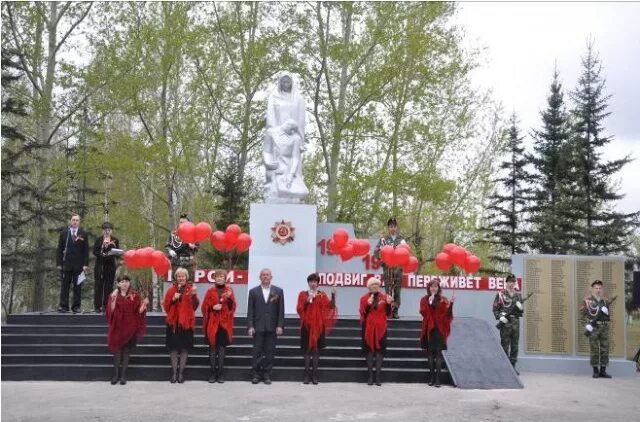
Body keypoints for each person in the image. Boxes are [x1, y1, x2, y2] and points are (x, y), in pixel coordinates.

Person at [105, 275, 148, 385]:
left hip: (130, 327)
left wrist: (144, 305)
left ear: (129, 283)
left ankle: (123, 376)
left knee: (126, 352)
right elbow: (111, 311)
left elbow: (138, 312)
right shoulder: (113, 295)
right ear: (118, 284)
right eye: (122, 281)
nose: (125, 283)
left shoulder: (134, 295)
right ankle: (116, 375)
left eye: (127, 281)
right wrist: (114, 299)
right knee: (117, 352)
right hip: (117, 327)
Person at [296, 273, 338, 385]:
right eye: (311, 281)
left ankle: (314, 375)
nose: (313, 283)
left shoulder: (322, 295)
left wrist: (333, 295)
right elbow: (299, 309)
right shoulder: (303, 294)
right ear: (308, 283)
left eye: (315, 281)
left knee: (316, 351)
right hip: (306, 326)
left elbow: (331, 307)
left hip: (319, 327)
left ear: (318, 283)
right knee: (306, 351)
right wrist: (307, 301)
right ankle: (306, 375)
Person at [247, 268, 285, 385]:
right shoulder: (253, 292)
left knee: (269, 351)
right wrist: (250, 326)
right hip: (258, 327)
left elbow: (280, 310)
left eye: (267, 275)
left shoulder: (278, 291)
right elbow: (250, 310)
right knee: (257, 351)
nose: (265, 277)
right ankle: (256, 374)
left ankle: (267, 374)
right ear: (260, 277)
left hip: (272, 327)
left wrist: (280, 325)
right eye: (263, 275)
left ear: (271, 277)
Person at [162, 267, 199, 383]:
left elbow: (195, 306)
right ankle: (174, 373)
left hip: (186, 325)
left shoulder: (190, 289)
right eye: (179, 276)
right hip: (173, 324)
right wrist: (173, 299)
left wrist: (193, 295)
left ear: (186, 277)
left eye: (183, 276)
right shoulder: (171, 290)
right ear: (176, 278)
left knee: (184, 349)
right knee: (173, 349)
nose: (181, 278)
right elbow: (166, 307)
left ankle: (181, 374)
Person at [201, 269, 236, 383]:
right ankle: (212, 373)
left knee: (221, 349)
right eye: (218, 276)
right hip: (212, 324)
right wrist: (212, 308)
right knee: (212, 348)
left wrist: (229, 299)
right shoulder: (210, 291)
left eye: (222, 276)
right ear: (214, 278)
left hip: (224, 325)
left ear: (225, 279)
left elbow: (233, 307)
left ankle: (220, 374)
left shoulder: (229, 291)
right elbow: (203, 307)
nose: (220, 278)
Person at [262, 119, 309, 202]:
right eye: (291, 129)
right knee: (276, 191)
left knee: (302, 192)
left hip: (290, 171)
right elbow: (266, 151)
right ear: (287, 125)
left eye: (293, 130)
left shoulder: (296, 138)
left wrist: (291, 174)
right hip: (275, 170)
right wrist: (267, 162)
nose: (292, 132)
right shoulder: (271, 132)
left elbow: (295, 158)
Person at [420, 279, 454, 387]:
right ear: (428, 288)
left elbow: (447, 314)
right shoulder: (424, 299)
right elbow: (423, 312)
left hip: (439, 329)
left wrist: (451, 304)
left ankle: (438, 379)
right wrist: (430, 302)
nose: (433, 288)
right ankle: (431, 377)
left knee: (438, 354)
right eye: (432, 286)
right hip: (428, 328)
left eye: (436, 286)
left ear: (439, 288)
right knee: (430, 354)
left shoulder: (443, 299)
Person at [359, 277, 392, 386]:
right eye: (373, 285)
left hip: (381, 328)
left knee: (379, 351)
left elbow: (388, 313)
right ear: (369, 287)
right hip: (368, 328)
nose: (375, 286)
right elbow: (363, 313)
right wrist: (368, 304)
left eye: (377, 285)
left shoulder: (384, 297)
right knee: (369, 351)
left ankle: (377, 376)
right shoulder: (364, 298)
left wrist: (388, 304)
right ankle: (370, 376)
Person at [56, 213, 89, 313]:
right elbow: (59, 249)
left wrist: (85, 264)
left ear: (79, 222)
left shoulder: (83, 234)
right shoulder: (64, 233)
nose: (75, 222)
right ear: (70, 221)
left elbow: (86, 250)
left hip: (79, 266)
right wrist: (59, 263)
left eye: (77, 220)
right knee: (65, 286)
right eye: (73, 220)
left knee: (77, 286)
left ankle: (76, 306)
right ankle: (64, 306)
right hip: (66, 264)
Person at [373, 217, 405, 319]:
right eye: (391, 226)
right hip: (387, 269)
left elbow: (406, 252)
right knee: (388, 290)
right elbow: (376, 252)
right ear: (388, 227)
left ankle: (395, 311)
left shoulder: (401, 239)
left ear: (397, 227)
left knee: (397, 290)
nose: (393, 228)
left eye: (394, 226)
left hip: (398, 269)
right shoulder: (384, 239)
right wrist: (382, 260)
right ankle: (387, 310)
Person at [580, 280, 613, 378]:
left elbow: (608, 316)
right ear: (592, 289)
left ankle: (603, 371)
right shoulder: (587, 300)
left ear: (601, 289)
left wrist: (607, 313)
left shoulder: (605, 301)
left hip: (605, 327)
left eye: (599, 288)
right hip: (594, 328)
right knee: (594, 349)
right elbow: (582, 315)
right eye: (596, 288)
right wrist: (587, 325)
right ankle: (595, 370)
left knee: (605, 348)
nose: (598, 290)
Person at [266, 72, 306, 150]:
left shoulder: (298, 98)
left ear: (291, 82)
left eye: (288, 82)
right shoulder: (274, 97)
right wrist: (275, 131)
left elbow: (301, 119)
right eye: (283, 82)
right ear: (280, 83)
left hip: (293, 133)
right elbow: (271, 115)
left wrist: (300, 137)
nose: (285, 84)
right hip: (278, 131)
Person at [492, 274, 523, 373]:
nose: (511, 284)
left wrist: (520, 309)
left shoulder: (518, 295)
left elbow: (521, 312)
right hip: (505, 324)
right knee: (504, 345)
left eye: (513, 282)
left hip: (515, 323)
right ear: (506, 283)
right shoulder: (501, 294)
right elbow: (495, 309)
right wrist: (500, 316)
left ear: (515, 283)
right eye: (509, 282)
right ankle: (505, 368)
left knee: (515, 346)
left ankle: (512, 368)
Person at [93, 222, 120, 313]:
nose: (107, 232)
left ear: (111, 231)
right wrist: (103, 247)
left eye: (109, 230)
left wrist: (117, 253)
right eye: (105, 230)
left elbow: (117, 253)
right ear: (102, 231)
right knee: (98, 286)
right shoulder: (99, 239)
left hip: (110, 266)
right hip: (100, 265)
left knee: (108, 286)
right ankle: (97, 306)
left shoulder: (115, 240)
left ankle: (106, 305)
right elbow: (95, 251)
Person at [166, 213, 199, 281]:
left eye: (184, 222)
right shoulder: (173, 234)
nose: (182, 224)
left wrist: (193, 246)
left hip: (189, 262)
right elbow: (167, 246)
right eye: (181, 222)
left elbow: (197, 247)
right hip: (176, 262)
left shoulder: (194, 234)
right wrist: (170, 251)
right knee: (175, 282)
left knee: (189, 282)